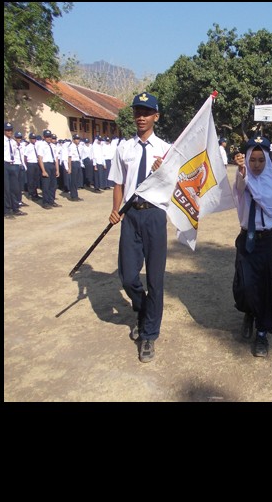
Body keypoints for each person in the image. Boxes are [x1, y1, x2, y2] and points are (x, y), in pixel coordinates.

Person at [108, 93, 170, 363]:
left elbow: (174, 186)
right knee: (128, 276)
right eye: (137, 112)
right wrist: (116, 209)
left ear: (156, 116)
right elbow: (118, 183)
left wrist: (163, 171)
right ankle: (145, 311)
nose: (141, 117)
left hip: (155, 215)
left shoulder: (166, 150)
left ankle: (148, 335)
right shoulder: (124, 148)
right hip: (131, 215)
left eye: (146, 112)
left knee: (155, 279)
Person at [231, 136, 272, 358]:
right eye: (253, 160)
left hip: (266, 240)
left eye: (261, 160)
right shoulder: (243, 178)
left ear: (267, 160)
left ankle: (262, 332)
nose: (257, 165)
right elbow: (240, 185)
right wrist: (242, 171)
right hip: (246, 239)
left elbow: (268, 202)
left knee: (264, 287)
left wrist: (248, 179)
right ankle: (249, 313)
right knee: (244, 286)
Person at [37, 129, 60, 209]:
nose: (49, 138)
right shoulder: (41, 145)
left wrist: (57, 169)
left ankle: (51, 201)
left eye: (50, 136)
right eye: (47, 137)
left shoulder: (53, 146)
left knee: (53, 185)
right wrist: (43, 170)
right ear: (43, 137)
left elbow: (56, 158)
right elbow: (40, 158)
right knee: (46, 185)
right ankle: (45, 202)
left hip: (52, 165)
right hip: (46, 165)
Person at [4, 122, 22, 219]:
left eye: (10, 130)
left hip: (13, 165)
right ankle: (6, 210)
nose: (9, 132)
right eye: (7, 130)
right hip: (5, 164)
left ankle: (15, 208)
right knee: (6, 189)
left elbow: (15, 154)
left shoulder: (13, 142)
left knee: (15, 188)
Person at [25, 133, 42, 200]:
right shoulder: (28, 147)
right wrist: (26, 166)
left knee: (36, 180)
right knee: (31, 180)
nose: (34, 140)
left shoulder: (36, 146)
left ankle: (35, 194)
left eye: (34, 138)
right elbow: (25, 157)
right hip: (30, 164)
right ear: (29, 139)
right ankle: (31, 194)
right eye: (32, 138)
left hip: (36, 164)